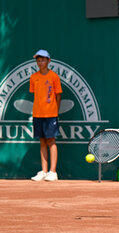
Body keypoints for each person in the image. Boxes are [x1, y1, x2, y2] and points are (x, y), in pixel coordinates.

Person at [30, 50, 62, 181]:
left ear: (48, 61)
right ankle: (43, 171)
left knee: (51, 141)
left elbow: (58, 95)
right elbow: (36, 96)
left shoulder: (54, 77)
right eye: (38, 60)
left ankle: (53, 172)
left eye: (43, 60)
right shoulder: (33, 77)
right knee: (42, 142)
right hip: (37, 114)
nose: (40, 62)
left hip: (51, 114)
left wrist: (55, 112)